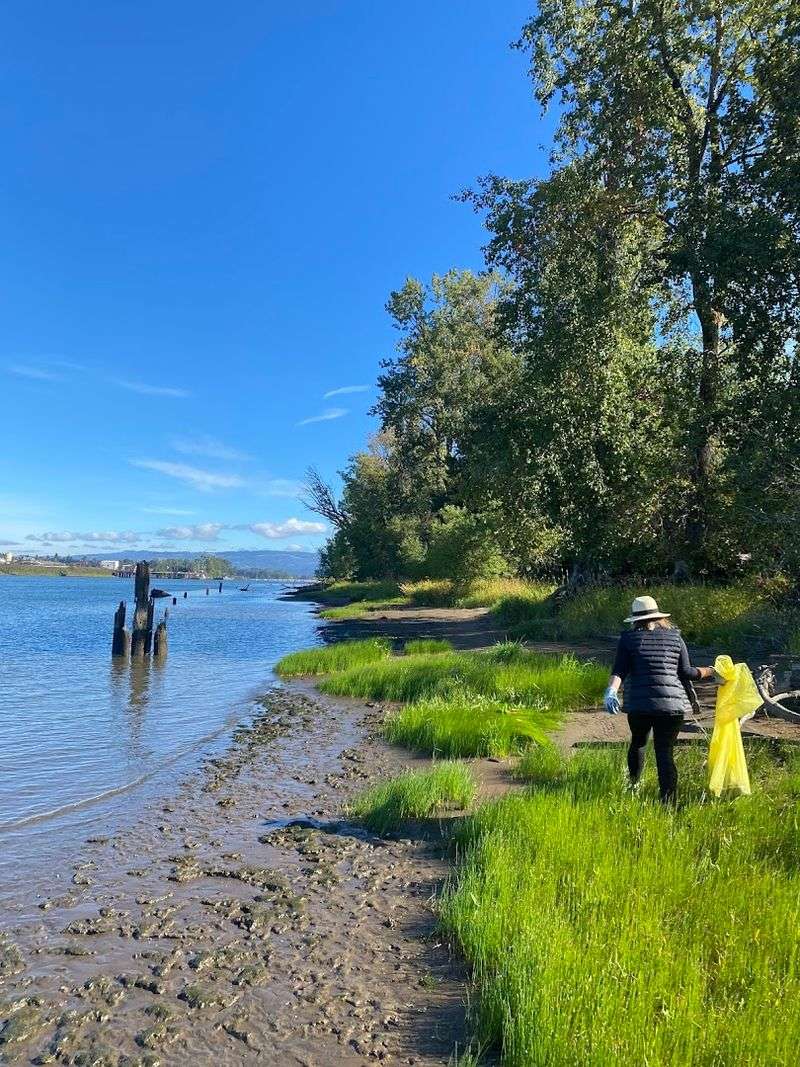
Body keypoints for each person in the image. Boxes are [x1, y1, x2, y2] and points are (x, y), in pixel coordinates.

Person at [604, 595, 715, 803]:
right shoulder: (675, 637)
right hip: (672, 707)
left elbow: (620, 670)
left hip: (639, 706)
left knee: (638, 743)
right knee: (665, 752)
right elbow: (688, 672)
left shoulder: (628, 639)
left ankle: (633, 786)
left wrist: (611, 691)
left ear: (635, 620)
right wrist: (711, 671)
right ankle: (668, 802)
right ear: (658, 617)